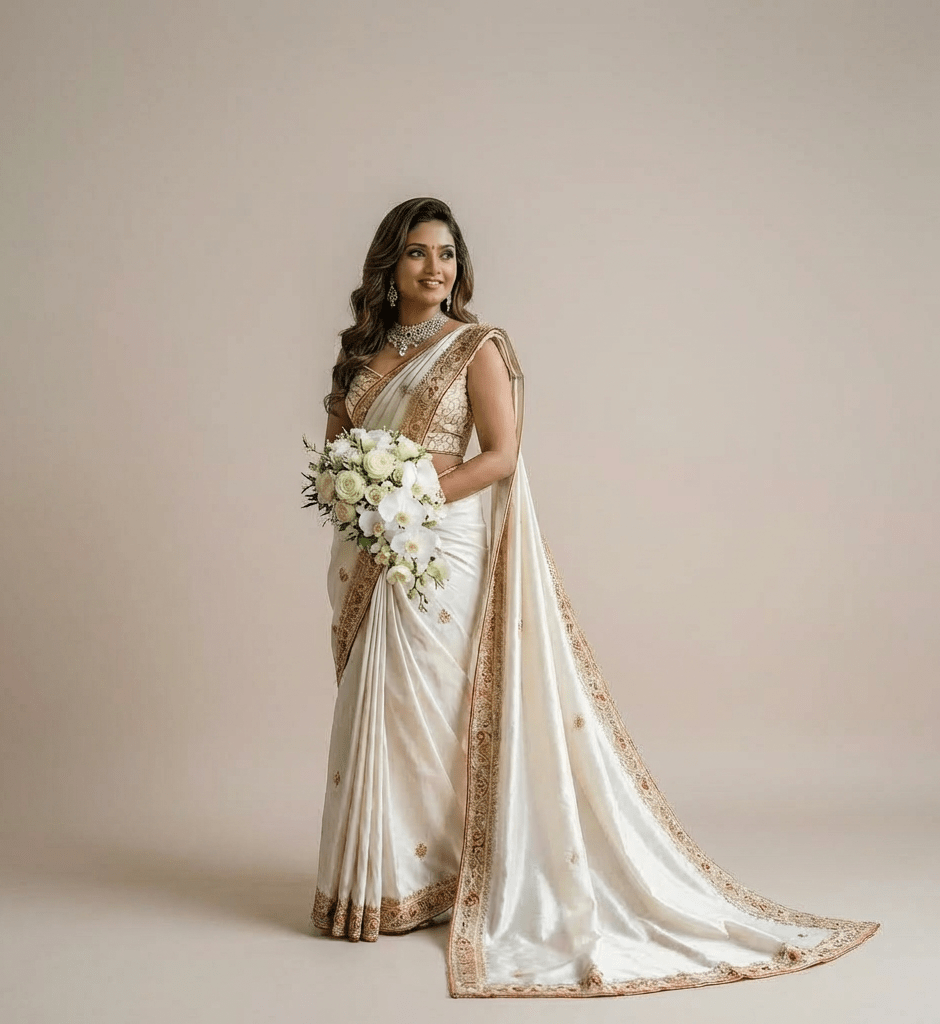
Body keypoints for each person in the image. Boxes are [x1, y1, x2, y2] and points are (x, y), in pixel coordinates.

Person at [310, 197, 879, 997]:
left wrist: (411, 494)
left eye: (446, 254)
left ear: (460, 268)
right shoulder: (358, 356)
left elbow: (502, 456)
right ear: (388, 265)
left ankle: (448, 873)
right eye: (416, 253)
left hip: (441, 544)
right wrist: (358, 493)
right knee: (383, 705)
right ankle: (388, 884)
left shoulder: (476, 345)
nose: (434, 268)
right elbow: (336, 454)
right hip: (372, 545)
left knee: (431, 705)